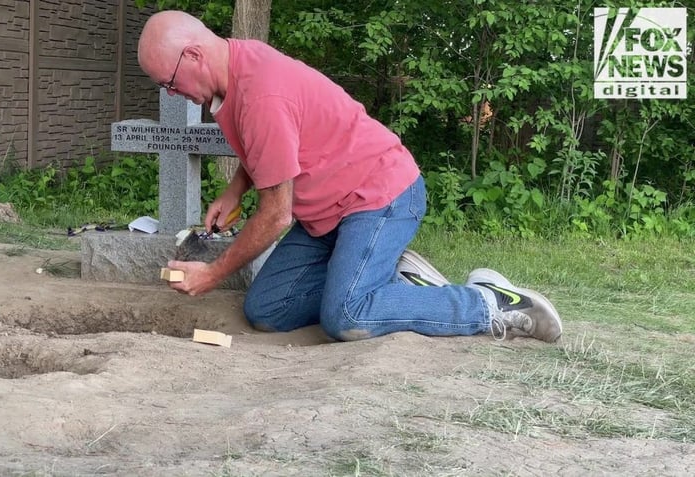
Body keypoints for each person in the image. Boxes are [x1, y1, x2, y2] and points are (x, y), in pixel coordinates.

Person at [137, 10, 562, 343]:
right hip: (326, 215)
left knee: (348, 317)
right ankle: (391, 284)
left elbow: (276, 215)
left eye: (170, 83)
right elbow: (268, 147)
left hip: (380, 196)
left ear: (193, 55)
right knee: (267, 311)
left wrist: (211, 274)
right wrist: (234, 192)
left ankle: (490, 302)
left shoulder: (262, 93)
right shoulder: (235, 69)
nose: (173, 93)